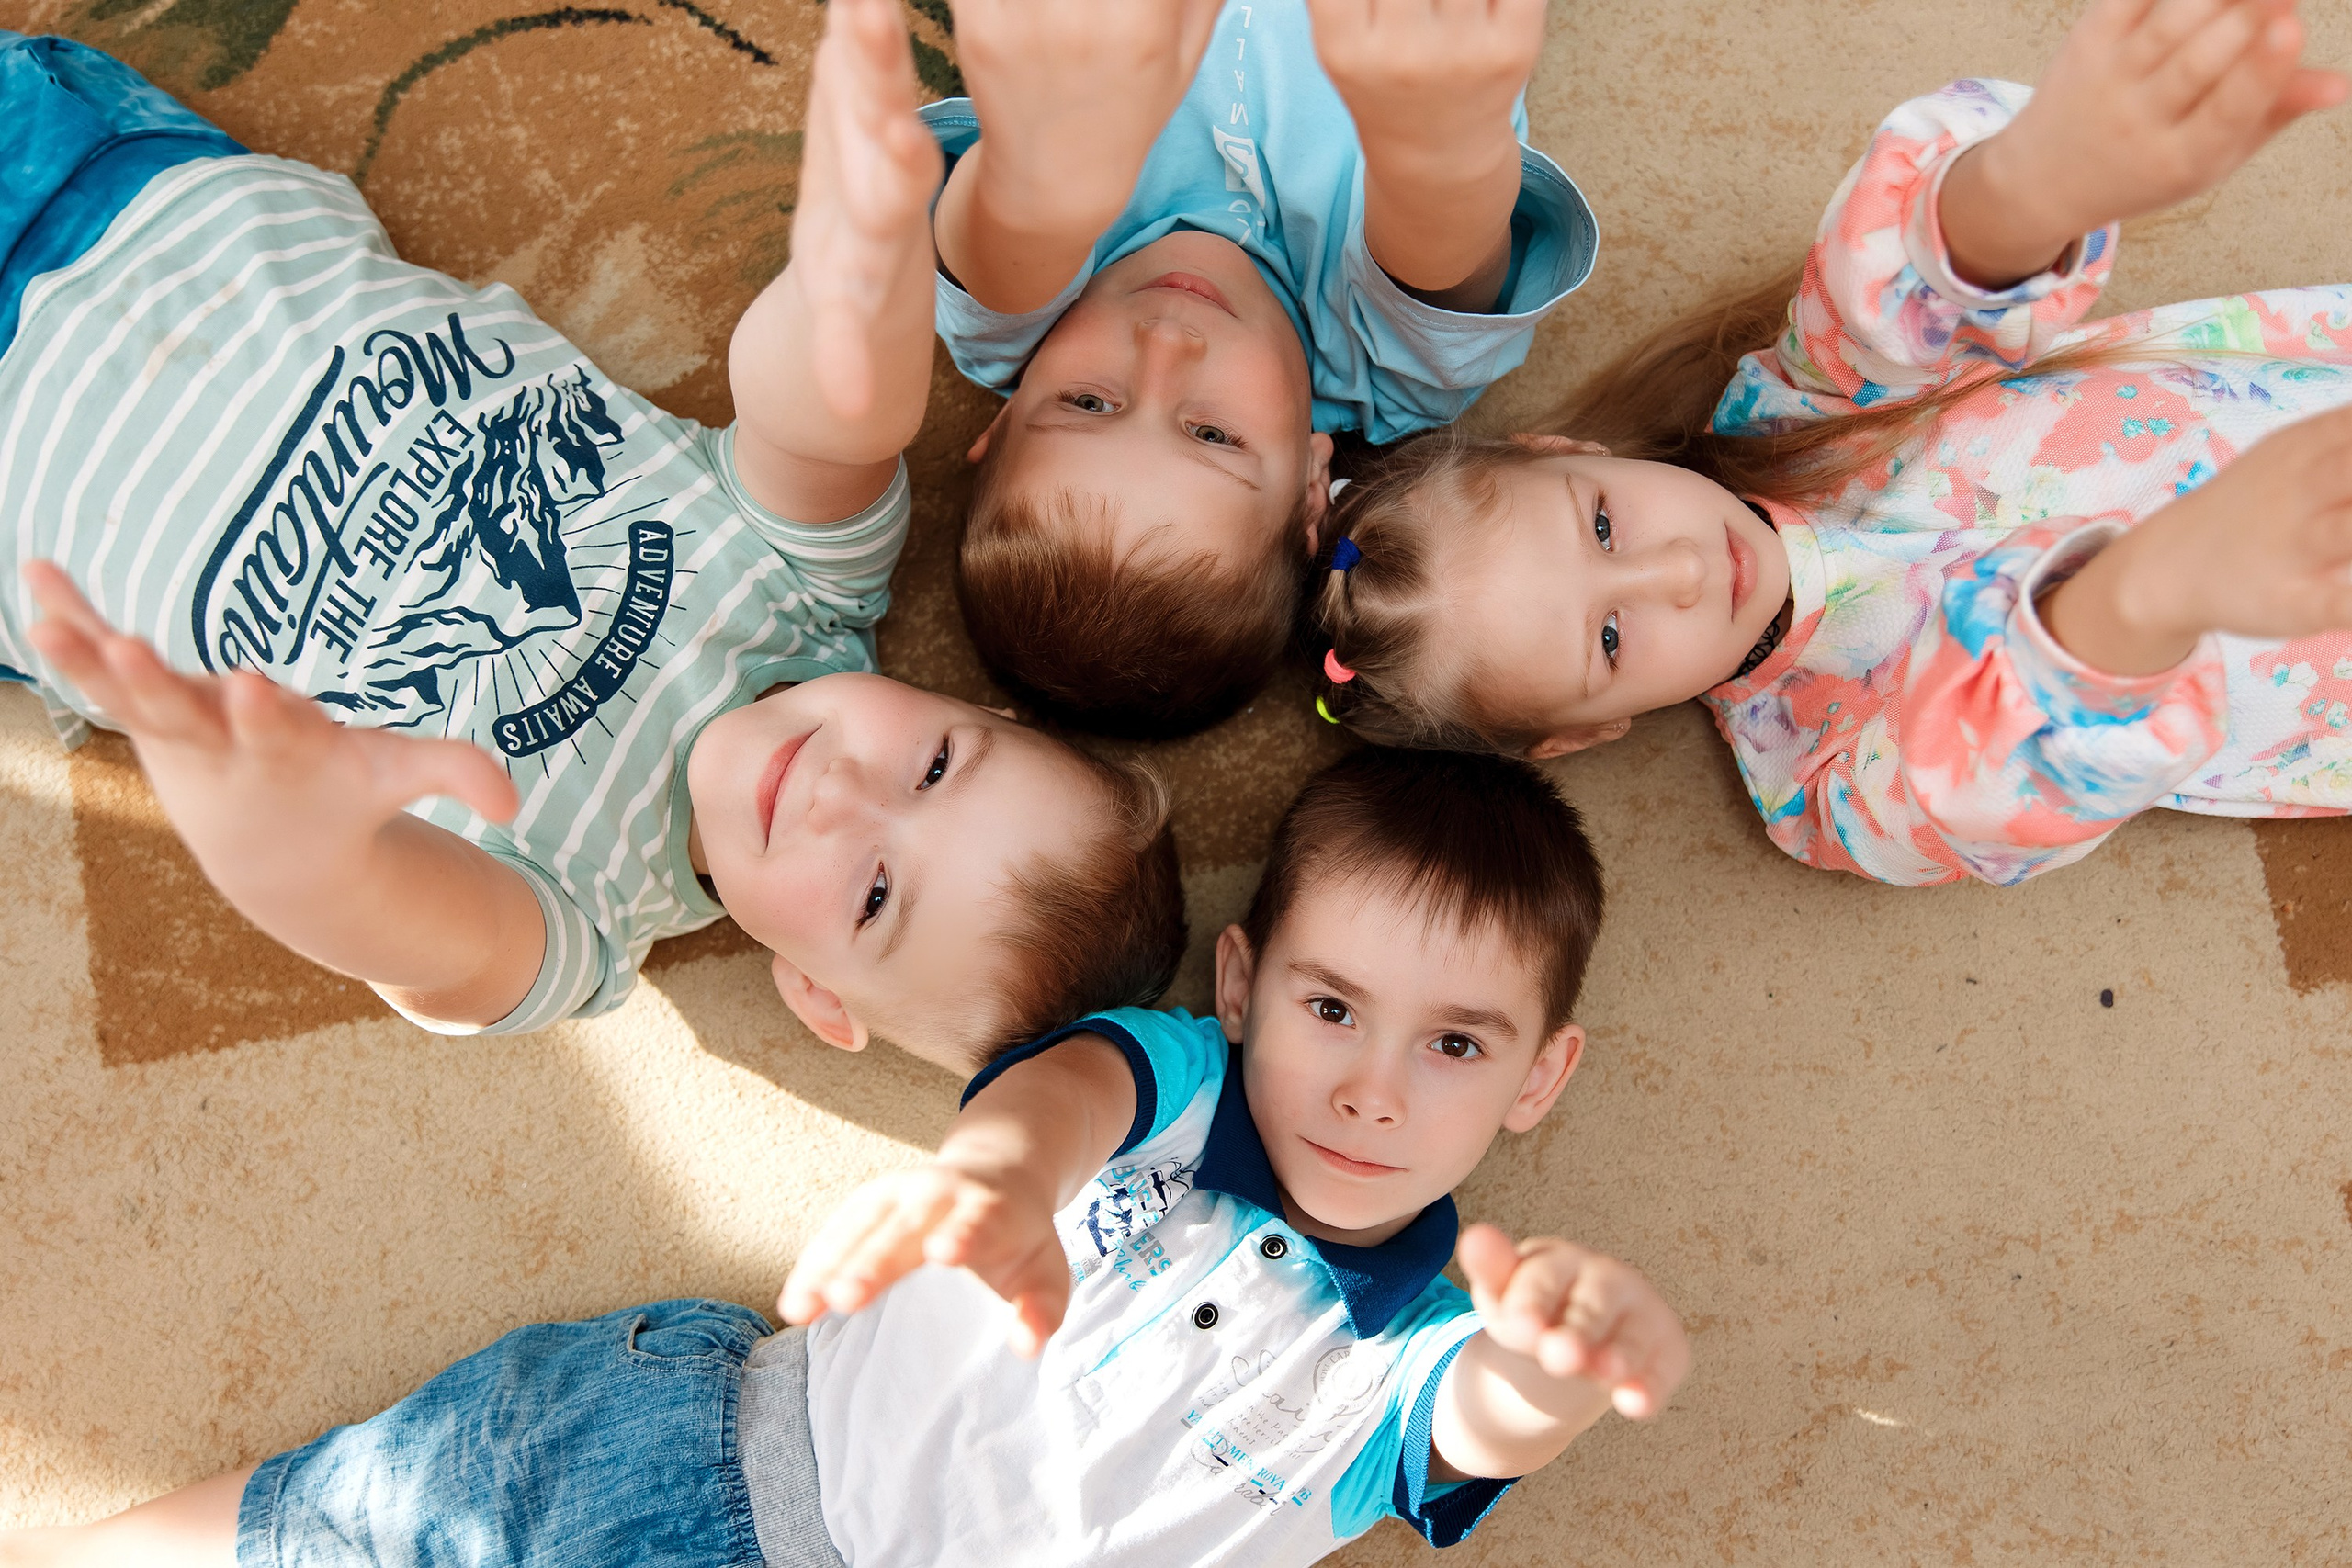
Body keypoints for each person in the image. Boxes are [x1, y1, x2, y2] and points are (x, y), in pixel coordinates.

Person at [0, 748, 1685, 1568]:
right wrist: (995, 1184)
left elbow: (1474, 1424)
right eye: (1331, 1007)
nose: (1372, 1088)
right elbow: (1061, 1101)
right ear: (1242, 986)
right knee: (334, 1524)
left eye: (1455, 1045)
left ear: (1539, 1080)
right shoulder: (1183, 1086)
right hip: (703, 1457)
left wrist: (1557, 1361)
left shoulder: (1414, 1346)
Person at [0, 0, 1184, 1066]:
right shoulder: (805, 588)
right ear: (978, 711)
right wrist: (865, 255)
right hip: (135, 202)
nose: (844, 790)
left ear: (817, 995)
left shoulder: (580, 914)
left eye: (875, 894)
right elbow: (824, 414)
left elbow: (435, 945)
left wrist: (297, 855)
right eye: (932, 767)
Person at [1310, 0, 2352, 887]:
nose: (1679, 573)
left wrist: (2037, 182)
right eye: (1612, 638)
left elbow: (1891, 305)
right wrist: (2155, 593)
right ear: (1583, 734)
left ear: (1561, 446)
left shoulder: (1792, 417)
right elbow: (1967, 789)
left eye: (1603, 526)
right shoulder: (1812, 775)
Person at [931, 0, 1598, 736]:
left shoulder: (1019, 312)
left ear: (1004, 417)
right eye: (1212, 435)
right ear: (1311, 491)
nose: (1166, 343)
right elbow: (1449, 250)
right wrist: (1437, 150)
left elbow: (995, 239)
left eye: (1088, 403)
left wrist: (1046, 151)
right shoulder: (1390, 368)